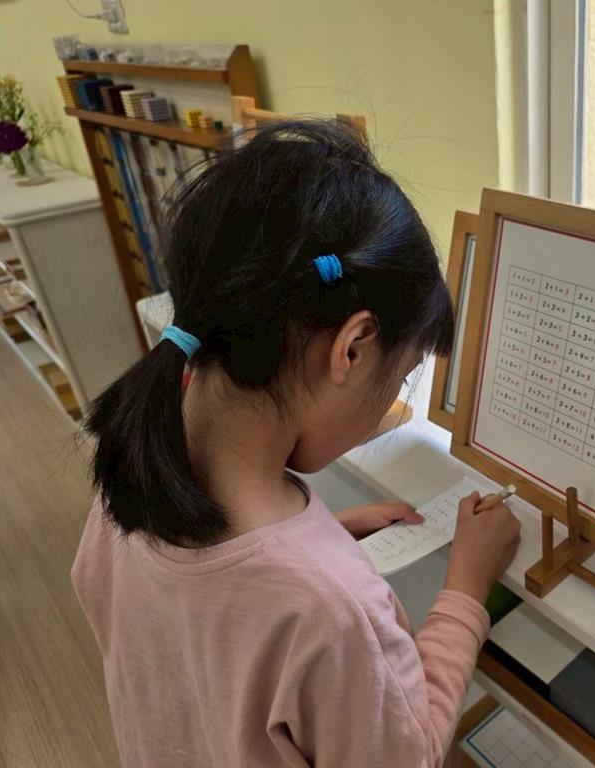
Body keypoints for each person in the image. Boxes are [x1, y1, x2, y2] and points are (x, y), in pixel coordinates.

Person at [71, 120, 521, 767]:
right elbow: (410, 755)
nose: (389, 400)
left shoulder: (133, 461)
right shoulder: (330, 608)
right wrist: (465, 591)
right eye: (399, 378)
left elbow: (200, 617)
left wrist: (324, 535)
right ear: (352, 348)